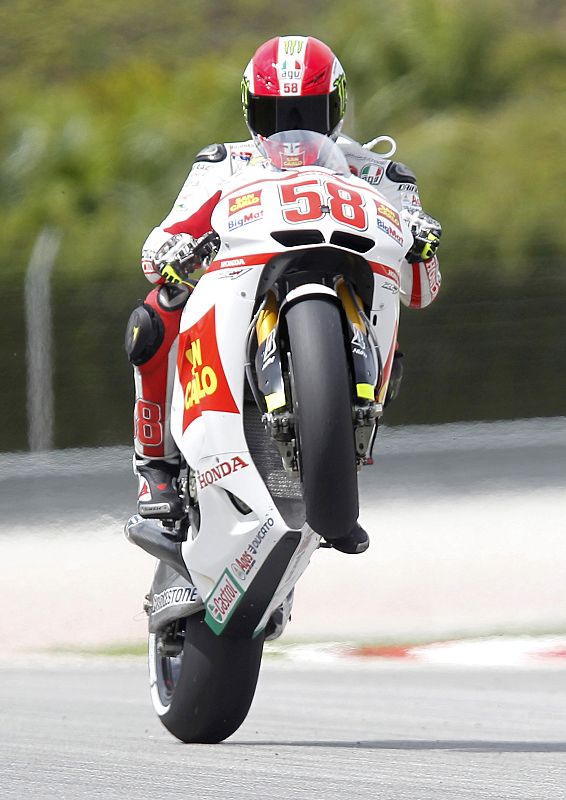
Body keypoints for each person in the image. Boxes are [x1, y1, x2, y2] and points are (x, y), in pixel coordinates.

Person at [125, 35, 442, 553]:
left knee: (398, 343)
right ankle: (154, 466)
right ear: (253, 111)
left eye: (308, 112)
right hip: (241, 285)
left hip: (346, 295)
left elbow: (420, 294)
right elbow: (158, 243)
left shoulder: (382, 174)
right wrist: (176, 253)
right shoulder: (222, 163)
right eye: (277, 114)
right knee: (155, 315)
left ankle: (336, 464)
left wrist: (423, 249)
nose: (293, 130)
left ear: (335, 108)